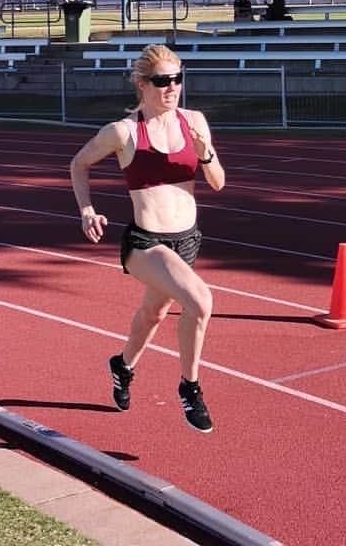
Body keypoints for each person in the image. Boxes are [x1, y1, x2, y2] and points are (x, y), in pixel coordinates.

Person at [69, 45, 225, 433]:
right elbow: (78, 163)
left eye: (177, 79)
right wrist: (87, 209)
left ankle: (122, 365)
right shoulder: (123, 132)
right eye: (162, 81)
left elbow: (218, 184)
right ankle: (190, 387)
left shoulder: (195, 121)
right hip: (146, 243)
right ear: (142, 85)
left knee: (153, 314)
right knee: (201, 301)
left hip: (187, 240)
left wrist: (205, 154)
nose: (172, 88)